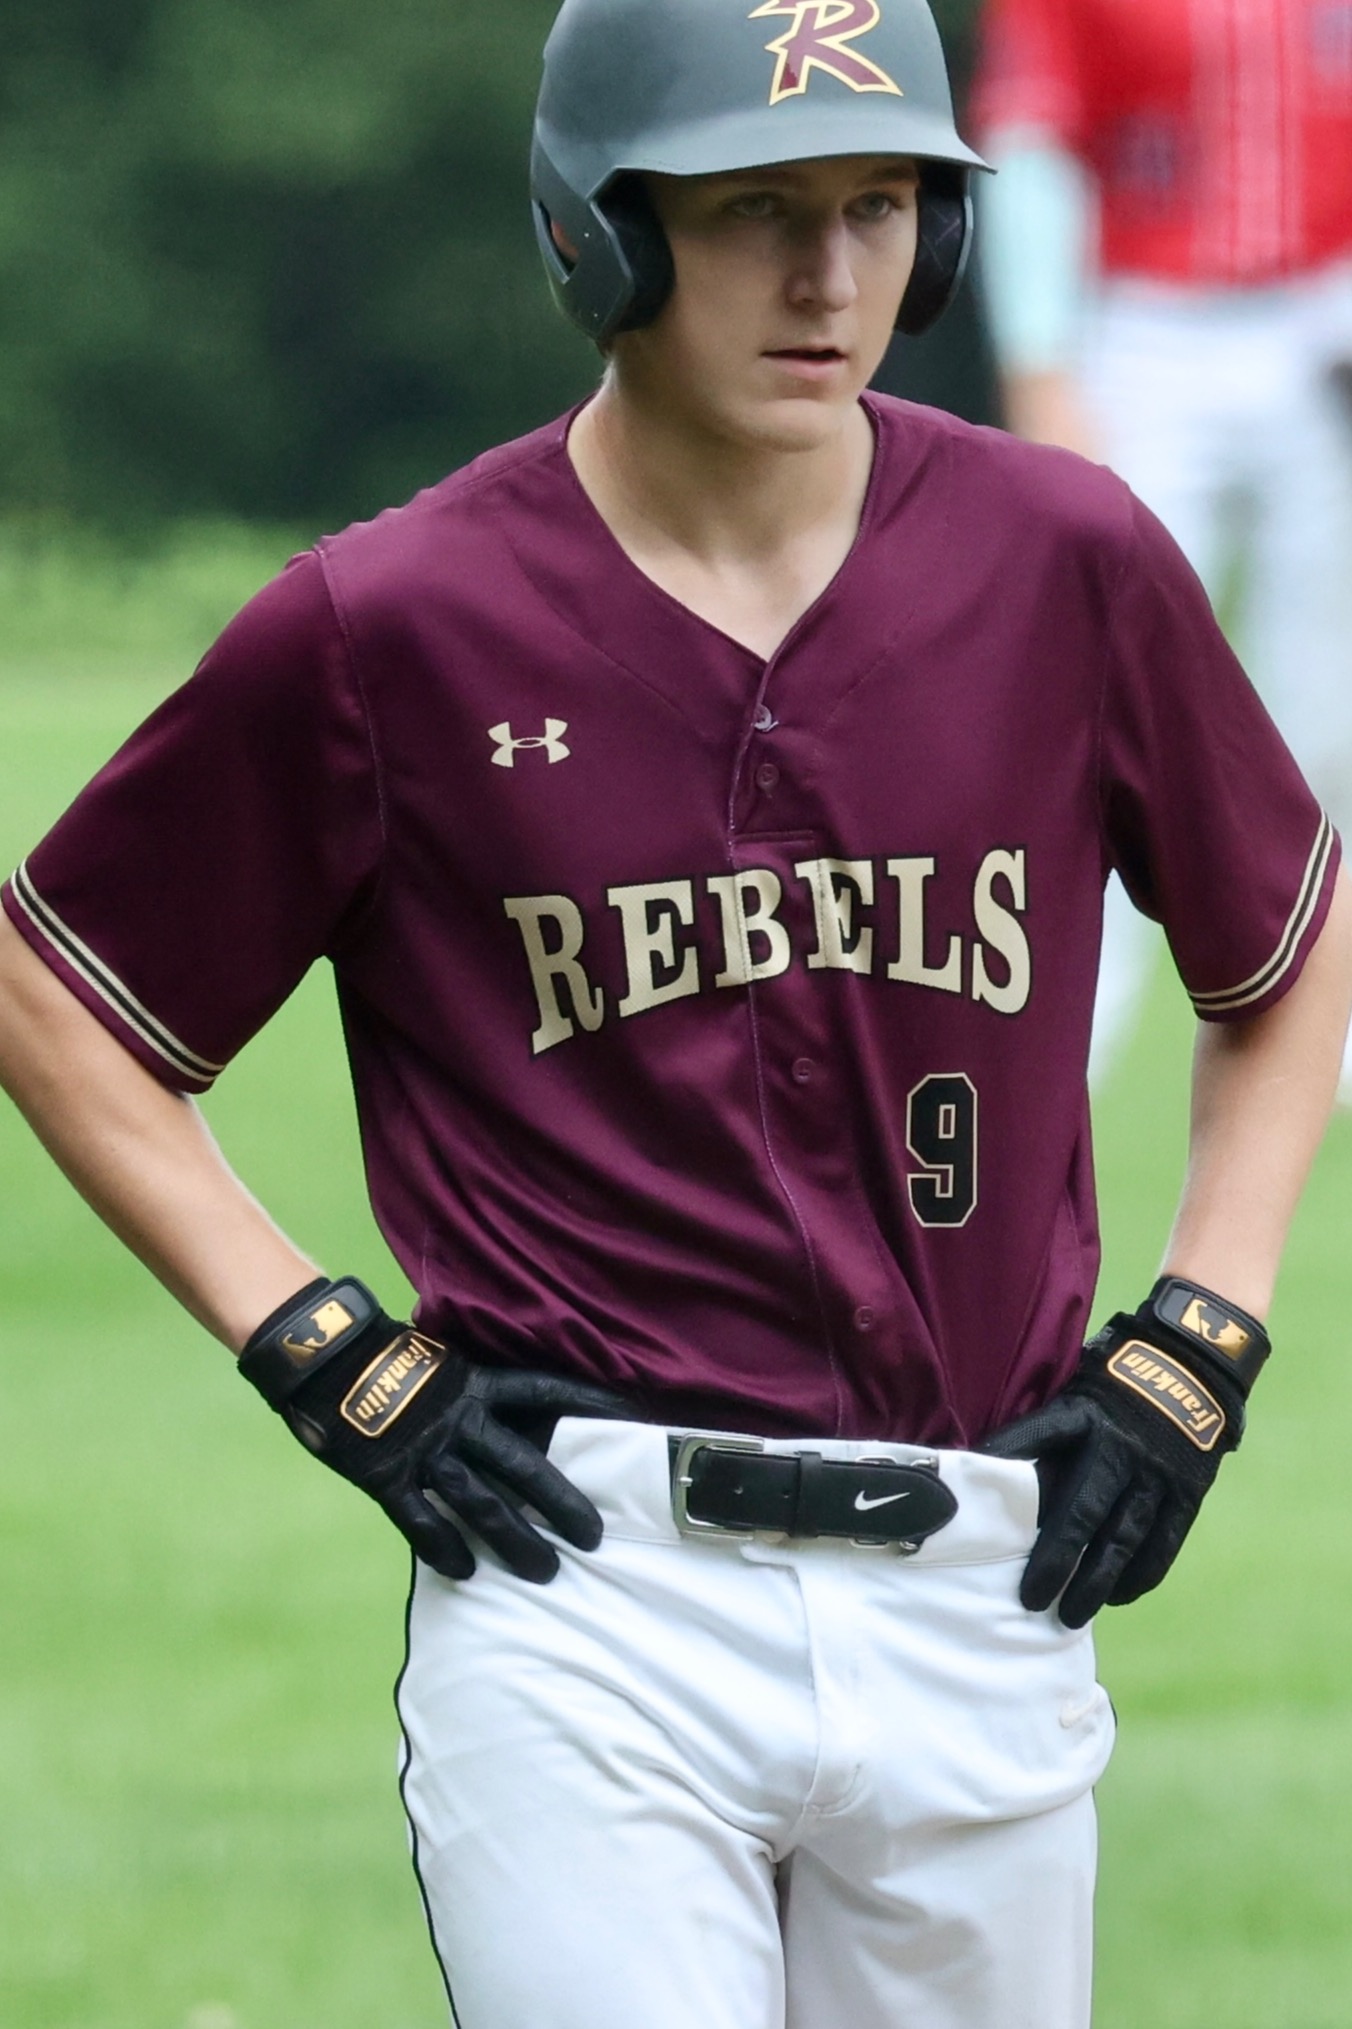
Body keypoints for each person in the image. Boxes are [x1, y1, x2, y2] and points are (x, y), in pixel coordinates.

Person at [1, 1, 1349, 2024]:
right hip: (585, 1597)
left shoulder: (1063, 560)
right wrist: (319, 1350)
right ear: (599, 232)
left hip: (985, 1584)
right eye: (751, 210)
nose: (828, 275)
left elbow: (1288, 937)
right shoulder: (397, 624)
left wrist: (1201, 1338)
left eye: (880, 206)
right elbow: (55, 981)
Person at [972, 0, 1352, 1078]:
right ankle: (1053, 1040)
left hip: (1326, 309)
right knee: (1092, 701)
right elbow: (1033, 138)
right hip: (1146, 323)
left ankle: (1329, 1034)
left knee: (1331, 705)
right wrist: (1040, 361)